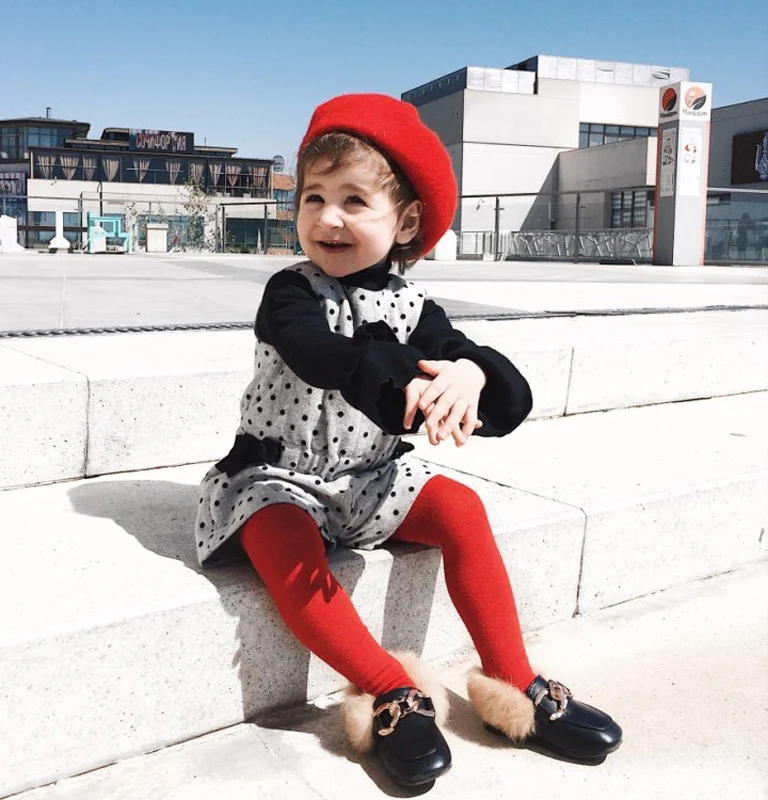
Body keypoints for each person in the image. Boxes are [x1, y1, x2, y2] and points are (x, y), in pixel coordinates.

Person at [196, 94, 622, 787]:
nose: (328, 217)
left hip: (369, 478)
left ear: (407, 222)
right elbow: (323, 356)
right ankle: (389, 687)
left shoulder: (415, 307)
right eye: (313, 197)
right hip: (278, 478)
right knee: (282, 541)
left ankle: (514, 682)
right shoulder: (290, 293)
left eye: (354, 200)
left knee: (461, 508)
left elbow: (471, 361)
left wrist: (470, 374)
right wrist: (402, 387)